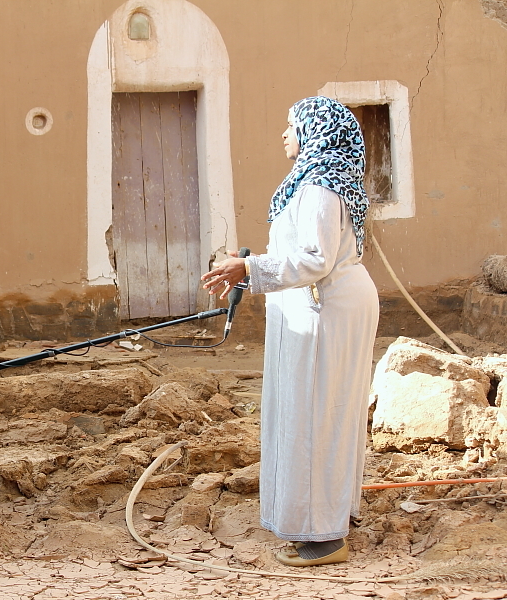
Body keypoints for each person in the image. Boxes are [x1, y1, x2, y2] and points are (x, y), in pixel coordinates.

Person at [201, 96, 379, 567]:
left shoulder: (321, 185)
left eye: (291, 125)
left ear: (315, 131)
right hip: (320, 308)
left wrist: (248, 267)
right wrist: (253, 267)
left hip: (327, 310)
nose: (284, 134)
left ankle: (324, 535)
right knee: (317, 411)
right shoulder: (313, 181)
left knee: (316, 414)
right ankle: (326, 514)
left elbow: (316, 259)